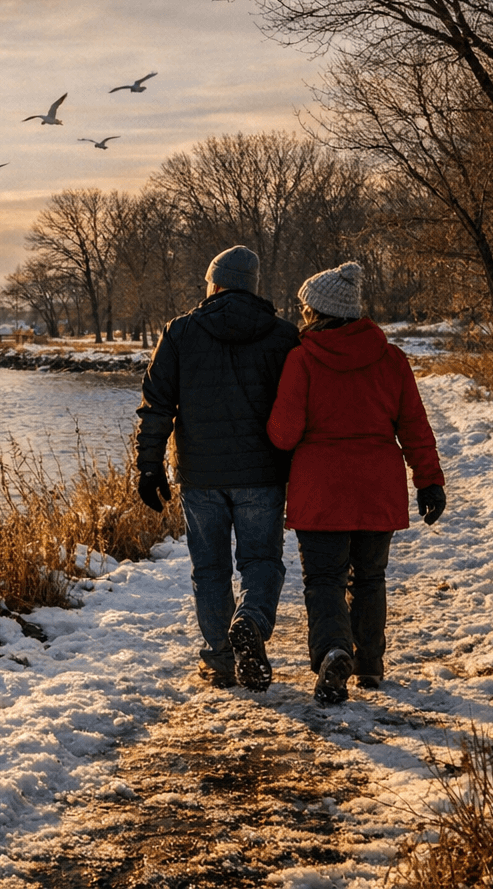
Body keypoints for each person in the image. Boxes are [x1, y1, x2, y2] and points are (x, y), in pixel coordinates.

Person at [267, 261, 446, 704]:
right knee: (370, 577)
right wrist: (429, 481)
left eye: (305, 309)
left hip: (321, 488)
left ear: (318, 312)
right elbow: (415, 426)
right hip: (376, 487)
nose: (302, 315)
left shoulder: (302, 359)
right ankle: (369, 664)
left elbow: (284, 434)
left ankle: (333, 651)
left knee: (324, 579)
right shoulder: (391, 359)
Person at [134, 245, 301, 692]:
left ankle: (220, 660)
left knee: (209, 569)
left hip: (200, 476)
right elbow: (299, 407)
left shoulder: (180, 332)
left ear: (216, 284)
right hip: (262, 474)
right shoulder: (284, 336)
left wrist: (148, 466)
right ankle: (251, 620)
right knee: (261, 561)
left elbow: (156, 406)